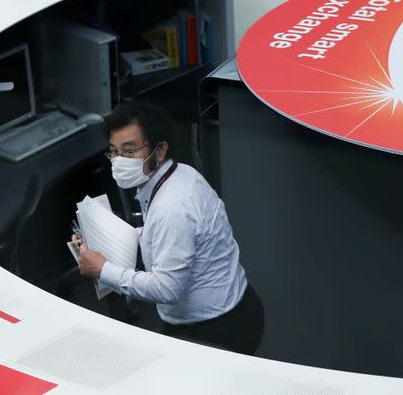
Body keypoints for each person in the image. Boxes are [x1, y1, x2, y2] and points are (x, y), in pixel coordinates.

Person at [73, 101, 263, 355]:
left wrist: (103, 271)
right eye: (113, 152)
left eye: (129, 152)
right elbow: (165, 237)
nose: (118, 162)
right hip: (231, 310)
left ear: (159, 150)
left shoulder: (172, 208)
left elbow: (167, 288)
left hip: (213, 333)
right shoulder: (179, 173)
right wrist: (106, 242)